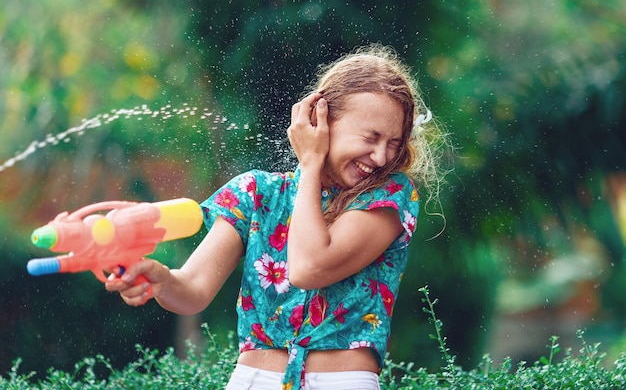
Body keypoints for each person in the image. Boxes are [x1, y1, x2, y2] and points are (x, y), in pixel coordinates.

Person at [106, 44, 447, 390]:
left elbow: (308, 267)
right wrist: (162, 280)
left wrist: (311, 163)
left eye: (393, 143)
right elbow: (193, 291)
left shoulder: (390, 196)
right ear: (322, 122)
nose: (380, 156)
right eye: (371, 137)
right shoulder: (257, 193)